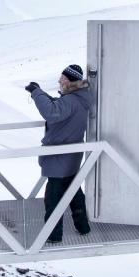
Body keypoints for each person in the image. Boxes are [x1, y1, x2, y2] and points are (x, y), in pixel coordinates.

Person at [25, 64, 94, 243]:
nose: (59, 81)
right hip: (69, 156)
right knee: (73, 191)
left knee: (53, 199)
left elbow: (51, 112)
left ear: (70, 81)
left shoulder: (70, 101)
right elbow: (58, 105)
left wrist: (36, 93)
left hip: (59, 156)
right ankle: (83, 226)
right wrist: (39, 92)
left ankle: (53, 236)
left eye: (62, 79)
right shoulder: (78, 98)